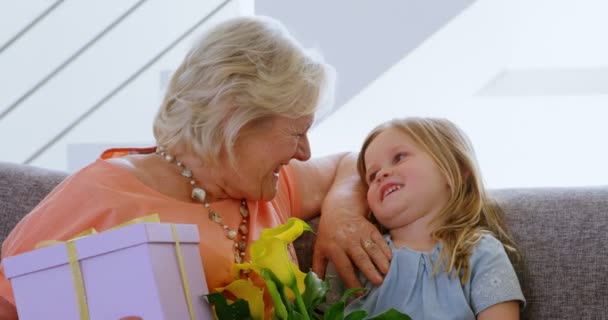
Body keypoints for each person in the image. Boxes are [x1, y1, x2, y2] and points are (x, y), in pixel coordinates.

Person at [0, 16, 388, 319]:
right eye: (295, 132)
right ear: (235, 121)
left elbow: (351, 164)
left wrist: (342, 213)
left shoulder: (266, 188)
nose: (304, 152)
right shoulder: (103, 194)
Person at [344, 117, 526, 319]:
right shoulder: (368, 252)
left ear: (454, 169)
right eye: (372, 175)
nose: (381, 174)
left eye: (399, 157)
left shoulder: (480, 252)